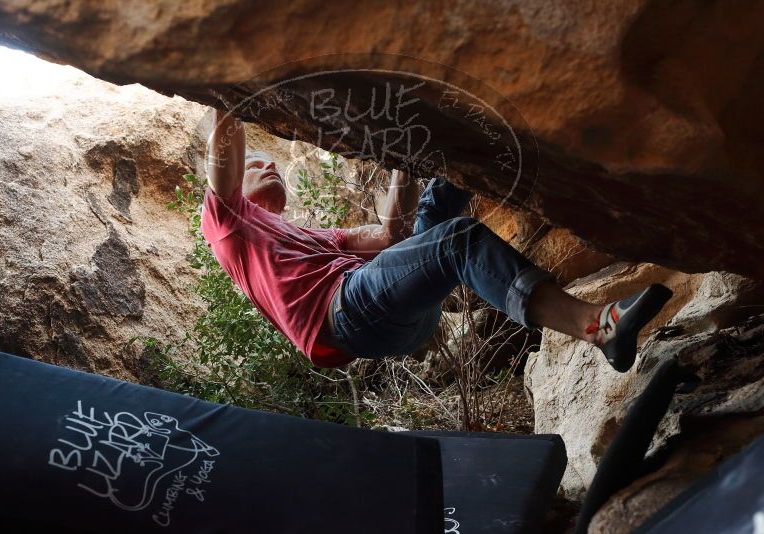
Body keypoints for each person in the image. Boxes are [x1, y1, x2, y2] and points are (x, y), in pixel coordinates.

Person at [201, 110, 672, 372]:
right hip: (347, 315)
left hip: (394, 317)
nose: (269, 166)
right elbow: (226, 131)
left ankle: (509, 144)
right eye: (255, 164)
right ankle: (597, 327)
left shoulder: (311, 237)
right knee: (456, 240)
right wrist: (232, 92)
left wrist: (400, 158)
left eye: (273, 163)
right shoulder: (228, 226)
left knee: (436, 205)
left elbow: (391, 234)